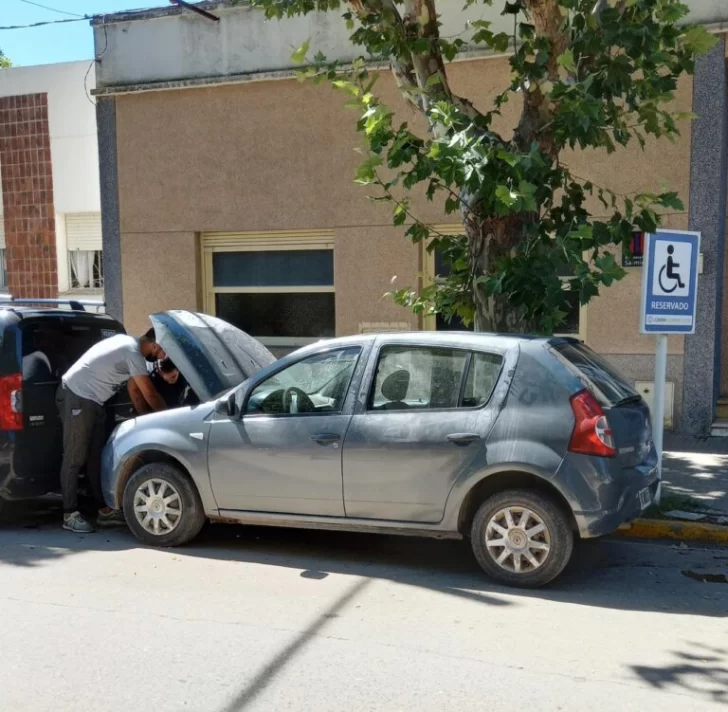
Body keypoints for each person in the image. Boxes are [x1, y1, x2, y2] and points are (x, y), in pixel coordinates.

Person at [56, 327, 168, 533]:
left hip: (94, 401)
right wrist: (169, 420)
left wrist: (146, 420)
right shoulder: (132, 351)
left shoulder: (130, 348)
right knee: (75, 457)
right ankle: (69, 514)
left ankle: (104, 511)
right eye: (162, 352)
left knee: (96, 457)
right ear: (155, 345)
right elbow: (150, 394)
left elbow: (134, 391)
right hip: (78, 396)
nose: (162, 357)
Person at [130, 357, 199, 410]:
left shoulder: (185, 375)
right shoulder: (152, 380)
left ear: (178, 369)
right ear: (160, 372)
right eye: (165, 377)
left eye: (173, 376)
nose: (170, 380)